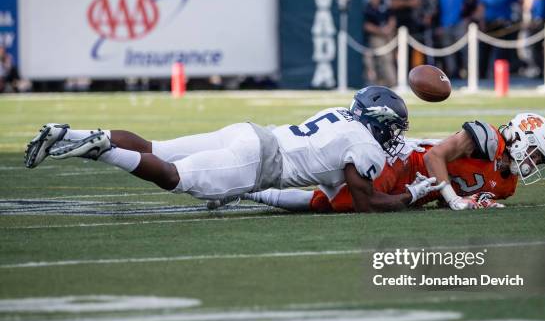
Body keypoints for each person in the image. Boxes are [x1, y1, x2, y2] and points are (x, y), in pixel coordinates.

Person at [24, 86, 442, 212]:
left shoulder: (341, 115)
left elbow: (333, 198)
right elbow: (366, 202)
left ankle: (67, 133)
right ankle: (102, 150)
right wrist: (414, 194)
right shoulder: (365, 144)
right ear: (382, 122)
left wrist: (254, 194)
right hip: (259, 159)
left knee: (158, 147)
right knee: (175, 178)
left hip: (250, 134)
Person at [246, 113, 545, 212]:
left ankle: (248, 190)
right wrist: (453, 198)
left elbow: (455, 201)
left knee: (327, 205)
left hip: (420, 190)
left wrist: (471, 201)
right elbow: (436, 156)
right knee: (342, 203)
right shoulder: (488, 138)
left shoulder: (507, 185)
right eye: (534, 154)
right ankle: (249, 186)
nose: (533, 164)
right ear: (520, 139)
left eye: (538, 161)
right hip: (406, 163)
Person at [363, 0, 398, 87]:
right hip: (375, 36)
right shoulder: (366, 7)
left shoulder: (385, 5)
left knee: (390, 58)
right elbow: (366, 25)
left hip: (389, 35)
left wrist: (388, 29)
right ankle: (390, 82)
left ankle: (391, 82)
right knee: (383, 59)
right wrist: (380, 31)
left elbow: (392, 18)